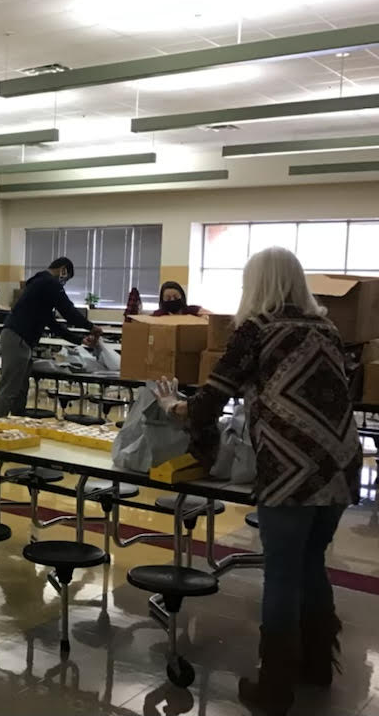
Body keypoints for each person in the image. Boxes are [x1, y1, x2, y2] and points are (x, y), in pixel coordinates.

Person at [154, 247, 361, 716]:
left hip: (289, 468)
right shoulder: (327, 329)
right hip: (340, 464)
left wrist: (173, 406)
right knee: (311, 562)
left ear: (256, 284)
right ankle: (317, 666)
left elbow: (211, 401)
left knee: (283, 571)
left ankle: (274, 688)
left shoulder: (256, 329)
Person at [0, 257, 102, 418]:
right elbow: (68, 311)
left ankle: (16, 423)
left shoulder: (40, 284)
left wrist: (79, 339)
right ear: (63, 270)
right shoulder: (49, 283)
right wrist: (91, 327)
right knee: (10, 388)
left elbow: (52, 323)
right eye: (66, 278)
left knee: (20, 389)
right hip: (18, 338)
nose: (64, 283)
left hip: (20, 339)